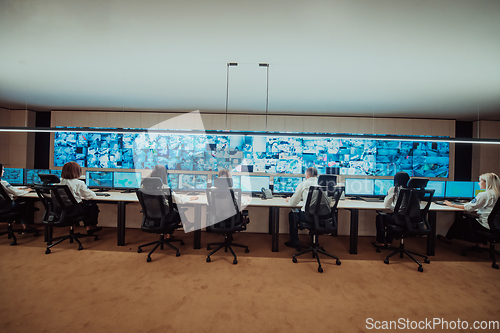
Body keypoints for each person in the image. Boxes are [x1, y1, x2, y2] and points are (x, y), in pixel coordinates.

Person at [438, 173, 500, 246]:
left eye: (480, 181)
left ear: (487, 182)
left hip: (486, 226)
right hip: (496, 226)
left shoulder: (484, 195)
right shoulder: (497, 194)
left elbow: (467, 208)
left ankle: (448, 239)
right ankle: (480, 243)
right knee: (474, 219)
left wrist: (451, 204)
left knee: (460, 221)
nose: (479, 183)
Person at [147, 164, 197, 236]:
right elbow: (179, 200)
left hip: (151, 215)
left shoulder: (145, 187)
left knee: (173, 205)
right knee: (176, 207)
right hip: (165, 216)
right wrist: (189, 198)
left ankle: (169, 234)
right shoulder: (164, 187)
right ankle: (186, 224)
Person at [59, 162, 102, 234]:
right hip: (74, 211)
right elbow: (91, 196)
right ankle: (90, 226)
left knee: (85, 205)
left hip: (59, 211)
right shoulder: (78, 183)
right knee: (92, 205)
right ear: (77, 171)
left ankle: (89, 226)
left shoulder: (57, 182)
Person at [372, 171, 411, 248]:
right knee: (392, 217)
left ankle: (381, 242)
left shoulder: (394, 189)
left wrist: (395, 209)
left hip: (399, 218)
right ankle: (389, 241)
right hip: (412, 219)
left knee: (380, 217)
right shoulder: (413, 190)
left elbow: (387, 205)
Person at [284, 167, 319, 249]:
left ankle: (294, 241)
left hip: (308, 217)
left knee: (292, 214)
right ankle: (315, 241)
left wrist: (289, 199)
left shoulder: (303, 184)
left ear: (307, 175)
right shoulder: (324, 184)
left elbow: (293, 203)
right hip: (323, 217)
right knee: (317, 215)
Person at [0, 163, 37, 234]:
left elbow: (10, 190)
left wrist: (17, 189)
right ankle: (26, 227)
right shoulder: (2, 183)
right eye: (2, 170)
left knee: (20, 201)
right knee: (24, 204)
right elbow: (16, 193)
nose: (4, 171)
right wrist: (26, 190)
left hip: (1, 208)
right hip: (6, 207)